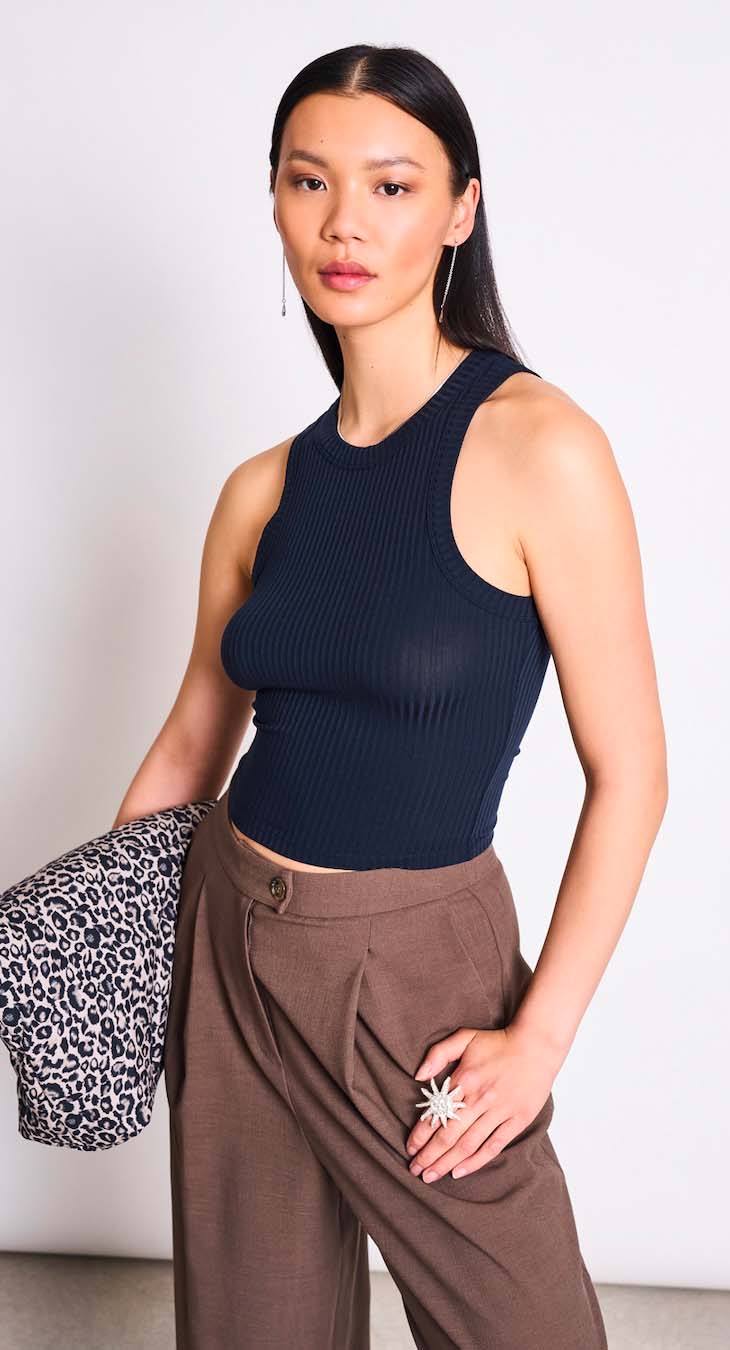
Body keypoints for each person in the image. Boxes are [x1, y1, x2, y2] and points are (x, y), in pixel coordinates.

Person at [116, 43, 668, 1350]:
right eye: (310, 182)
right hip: (227, 945)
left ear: (462, 210)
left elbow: (633, 773)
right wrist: (111, 956)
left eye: (392, 185)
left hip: (418, 971)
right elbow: (193, 740)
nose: (345, 223)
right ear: (274, 202)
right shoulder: (262, 490)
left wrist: (539, 1039)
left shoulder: (542, 448)